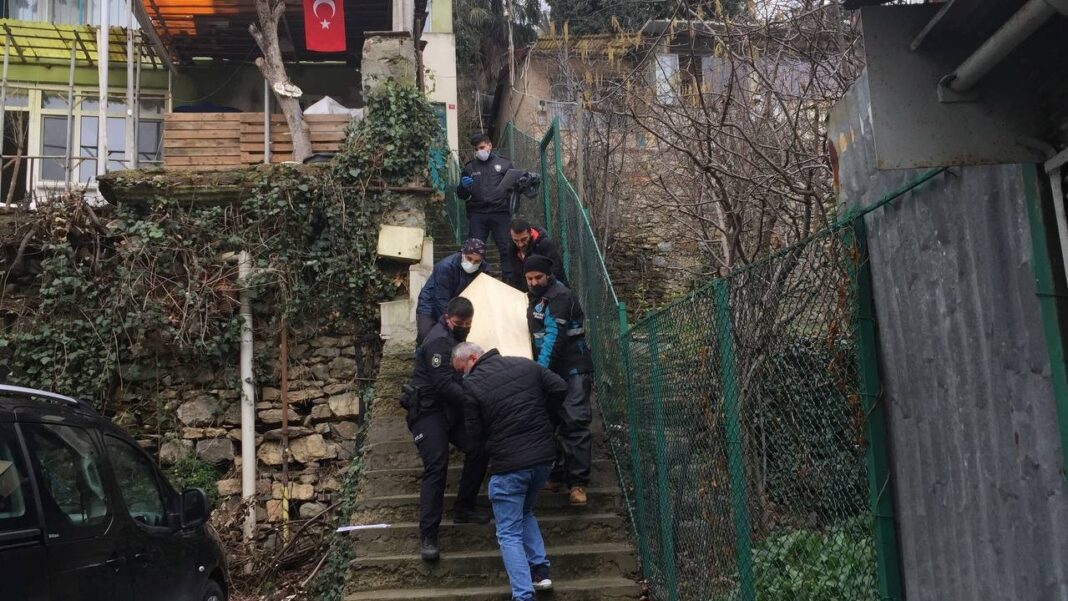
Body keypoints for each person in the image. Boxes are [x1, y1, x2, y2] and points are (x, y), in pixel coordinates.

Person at [452, 341, 567, 601]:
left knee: (508, 533)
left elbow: (474, 436)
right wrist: (543, 416)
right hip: (543, 459)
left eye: (461, 370)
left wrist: (493, 444)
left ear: (472, 359)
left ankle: (523, 595)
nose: (462, 376)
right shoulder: (525, 364)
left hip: (509, 465)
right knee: (525, 512)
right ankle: (541, 572)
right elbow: (560, 387)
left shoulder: (472, 386)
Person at [403, 297, 491, 561]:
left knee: (479, 448)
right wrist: (475, 400)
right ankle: (429, 535)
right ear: (447, 318)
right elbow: (443, 384)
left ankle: (464, 507)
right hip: (428, 410)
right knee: (437, 465)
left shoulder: (454, 337)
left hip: (450, 411)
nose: (463, 328)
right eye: (459, 323)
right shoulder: (438, 341)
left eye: (467, 324)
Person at [523, 254, 594, 506]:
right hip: (552, 370)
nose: (533, 282)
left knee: (574, 421)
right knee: (548, 422)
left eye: (538, 277)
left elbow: (554, 337)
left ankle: (578, 484)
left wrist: (539, 372)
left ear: (548, 275)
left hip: (573, 368)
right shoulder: (534, 298)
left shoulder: (559, 296)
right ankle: (555, 475)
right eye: (529, 278)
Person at [457, 133, 516, 282]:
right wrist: (462, 187)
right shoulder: (469, 167)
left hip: (500, 212)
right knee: (474, 250)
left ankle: (510, 283)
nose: (479, 151)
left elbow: (515, 187)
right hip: (478, 213)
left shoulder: (505, 164)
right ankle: (478, 282)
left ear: (490, 145)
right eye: (476, 149)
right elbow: (462, 195)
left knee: (506, 248)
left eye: (482, 147)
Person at [415, 238, 490, 345]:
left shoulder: (484, 269)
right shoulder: (445, 267)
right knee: (427, 335)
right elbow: (440, 300)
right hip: (430, 304)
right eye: (469, 258)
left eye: (477, 261)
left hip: (458, 305)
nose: (472, 263)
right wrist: (448, 324)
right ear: (462, 253)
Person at [505, 218, 567, 291]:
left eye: (524, 239)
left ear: (531, 233)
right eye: (516, 240)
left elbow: (556, 272)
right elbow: (515, 276)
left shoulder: (544, 245)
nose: (520, 244)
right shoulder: (511, 248)